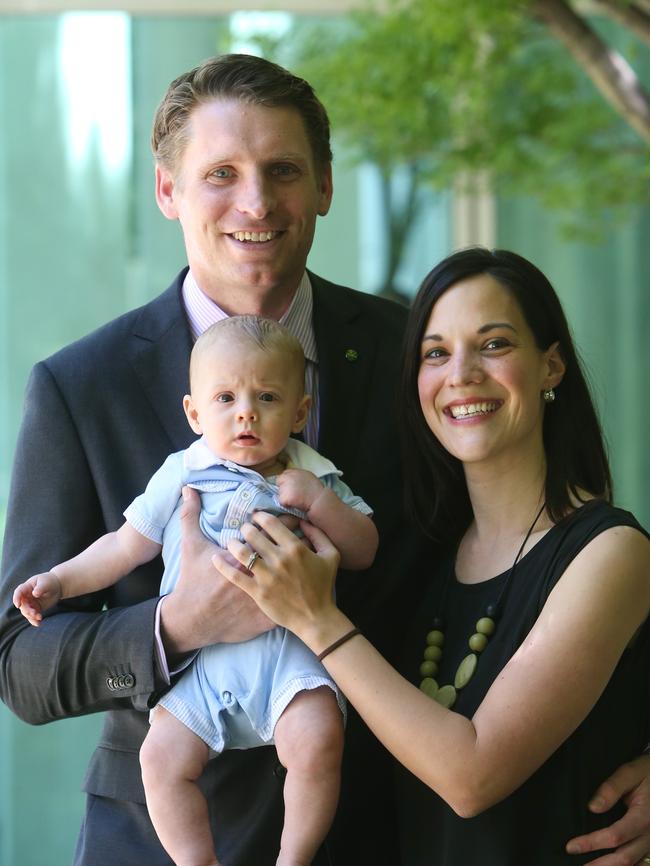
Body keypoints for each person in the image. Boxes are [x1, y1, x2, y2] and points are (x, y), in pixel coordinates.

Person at [0, 53, 648, 866]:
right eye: (221, 174)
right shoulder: (80, 386)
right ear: (168, 192)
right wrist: (176, 626)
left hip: (386, 830)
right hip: (160, 841)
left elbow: (522, 565)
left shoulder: (414, 353)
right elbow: (19, 661)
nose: (256, 202)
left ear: (326, 188)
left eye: (283, 171)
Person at [217, 247, 650, 866]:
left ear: (550, 366)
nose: (462, 374)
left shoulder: (608, 553)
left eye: (494, 344)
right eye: (435, 353)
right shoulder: (424, 550)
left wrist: (315, 618)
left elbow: (471, 776)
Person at [12, 315, 378, 866]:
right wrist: (59, 581)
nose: (246, 412)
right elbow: (122, 547)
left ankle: (294, 857)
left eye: (268, 397)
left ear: (300, 412)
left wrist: (321, 504)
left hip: (289, 658)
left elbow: (365, 547)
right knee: (159, 757)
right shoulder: (182, 473)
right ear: (195, 412)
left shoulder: (315, 475)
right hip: (202, 671)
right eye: (226, 397)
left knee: (320, 737)